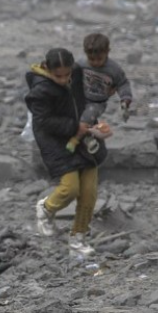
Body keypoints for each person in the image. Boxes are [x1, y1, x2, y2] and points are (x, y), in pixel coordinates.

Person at [26, 48, 107, 256]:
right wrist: (74, 127)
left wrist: (93, 125)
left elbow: (90, 100)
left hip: (83, 137)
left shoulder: (79, 74)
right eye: (58, 76)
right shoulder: (40, 91)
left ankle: (78, 238)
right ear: (47, 69)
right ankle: (46, 208)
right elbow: (43, 122)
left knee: (89, 192)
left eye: (66, 74)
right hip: (55, 141)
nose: (63, 80)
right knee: (70, 188)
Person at [67, 32, 133, 154]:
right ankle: (87, 137)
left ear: (107, 52)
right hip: (81, 97)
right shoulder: (81, 64)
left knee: (86, 118)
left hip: (97, 102)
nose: (95, 63)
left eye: (99, 59)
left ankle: (79, 140)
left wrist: (125, 98)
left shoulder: (113, 69)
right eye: (92, 59)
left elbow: (123, 83)